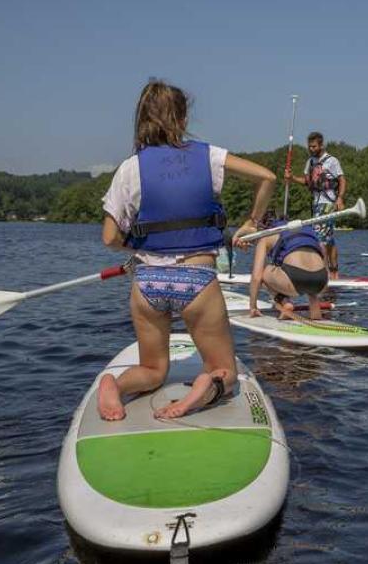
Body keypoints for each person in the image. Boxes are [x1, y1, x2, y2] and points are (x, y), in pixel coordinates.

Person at [99, 79, 276, 421]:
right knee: (224, 369)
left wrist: (136, 248)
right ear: (181, 119)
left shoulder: (129, 168)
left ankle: (115, 386)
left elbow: (109, 237)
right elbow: (267, 177)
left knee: (152, 369)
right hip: (196, 280)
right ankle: (206, 385)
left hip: (147, 281)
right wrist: (252, 222)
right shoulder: (209, 156)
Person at [245, 211, 328, 320]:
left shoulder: (266, 235)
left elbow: (256, 277)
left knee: (263, 271)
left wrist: (253, 306)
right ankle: (315, 307)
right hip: (321, 281)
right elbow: (323, 249)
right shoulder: (306, 229)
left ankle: (285, 303)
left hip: (295, 279)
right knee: (309, 272)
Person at [287, 131, 345, 279]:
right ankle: (334, 273)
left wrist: (340, 198)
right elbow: (307, 182)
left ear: (321, 145)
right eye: (309, 146)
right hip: (316, 204)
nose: (311, 149)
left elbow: (342, 180)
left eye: (314, 146)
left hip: (328, 203)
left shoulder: (332, 161)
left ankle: (322, 273)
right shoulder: (310, 162)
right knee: (329, 240)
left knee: (319, 239)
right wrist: (292, 178)